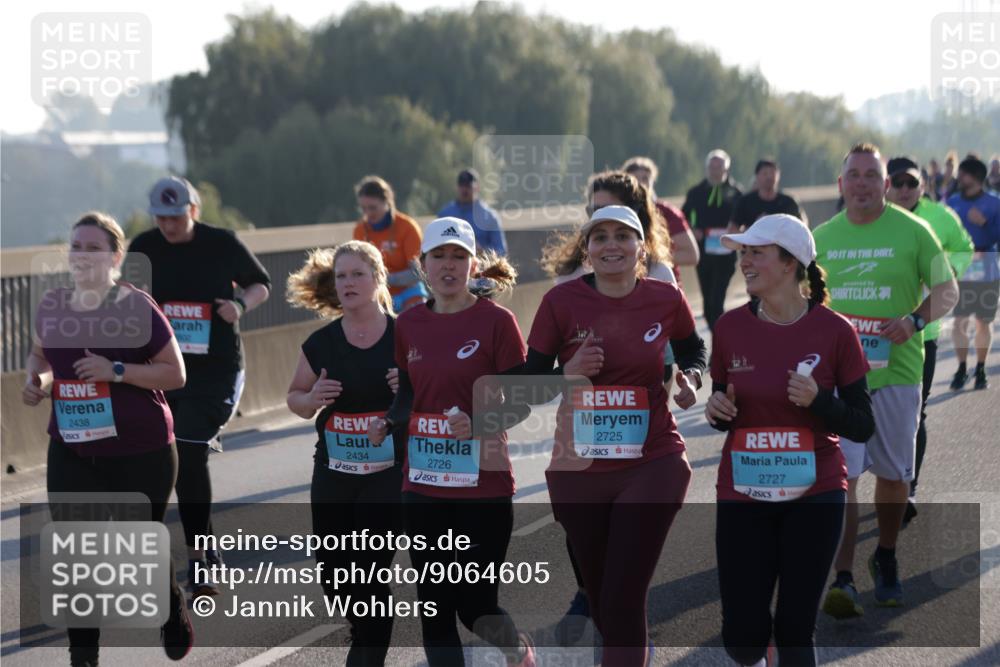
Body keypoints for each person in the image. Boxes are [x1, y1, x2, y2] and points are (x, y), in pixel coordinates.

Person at [527, 204, 707, 666]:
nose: (611, 245)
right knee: (605, 598)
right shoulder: (560, 304)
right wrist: (566, 373)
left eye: (622, 236)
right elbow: (525, 385)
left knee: (625, 594)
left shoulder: (665, 299)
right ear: (586, 251)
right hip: (579, 470)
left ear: (641, 248)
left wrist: (690, 376)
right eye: (600, 237)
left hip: (653, 461)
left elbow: (692, 347)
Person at [23, 212, 194, 665]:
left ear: (116, 256)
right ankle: (85, 658)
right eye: (76, 246)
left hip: (142, 450)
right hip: (73, 448)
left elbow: (175, 373)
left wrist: (115, 371)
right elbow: (40, 357)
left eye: (93, 248)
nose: (81, 255)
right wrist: (37, 382)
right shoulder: (53, 305)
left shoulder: (136, 306)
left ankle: (170, 605)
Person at [706, 214, 874, 666]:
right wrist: (716, 411)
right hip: (744, 489)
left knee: (795, 629)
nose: (745, 261)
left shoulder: (836, 331)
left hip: (815, 491)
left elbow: (862, 424)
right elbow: (725, 405)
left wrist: (820, 401)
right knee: (743, 635)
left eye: (756, 252)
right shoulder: (728, 328)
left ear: (789, 263)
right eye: (743, 253)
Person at [368, 217, 535, 667]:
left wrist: (479, 423)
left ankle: (517, 651)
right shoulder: (409, 324)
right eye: (438, 256)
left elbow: (520, 403)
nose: (448, 265)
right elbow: (408, 392)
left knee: (475, 607)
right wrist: (388, 422)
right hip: (422, 483)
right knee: (435, 608)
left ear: (473, 264)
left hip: (485, 484)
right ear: (423, 265)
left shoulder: (498, 322)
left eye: (458, 256)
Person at [815, 143, 957, 617]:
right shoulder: (820, 238)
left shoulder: (914, 232)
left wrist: (915, 321)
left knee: (895, 477)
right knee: (843, 478)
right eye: (852, 175)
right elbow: (801, 302)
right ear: (840, 185)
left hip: (897, 371)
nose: (861, 183)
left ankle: (887, 556)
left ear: (886, 184)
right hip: (839, 380)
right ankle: (844, 577)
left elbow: (947, 289)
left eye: (871, 176)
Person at [125, 176, 271, 597]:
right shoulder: (143, 248)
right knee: (177, 460)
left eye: (176, 216)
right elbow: (126, 297)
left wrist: (240, 304)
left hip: (217, 371)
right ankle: (203, 547)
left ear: (193, 210)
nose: (168, 226)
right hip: (164, 370)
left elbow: (261, 283)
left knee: (187, 449)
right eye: (161, 218)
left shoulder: (221, 243)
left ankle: (198, 560)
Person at [285, 241, 402, 666]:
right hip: (334, 471)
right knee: (334, 572)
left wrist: (405, 391)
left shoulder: (404, 336)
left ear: (377, 278)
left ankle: (367, 652)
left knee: (369, 567)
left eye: (357, 274)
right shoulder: (321, 343)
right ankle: (362, 629)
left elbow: (433, 398)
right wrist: (313, 396)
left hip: (388, 470)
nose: (348, 283)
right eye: (341, 276)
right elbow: (295, 399)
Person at [884, 156, 973, 525]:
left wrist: (941, 276)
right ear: (889, 185)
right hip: (871, 333)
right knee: (862, 414)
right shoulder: (874, 217)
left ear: (922, 185)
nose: (905, 190)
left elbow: (965, 250)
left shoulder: (940, 216)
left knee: (912, 415)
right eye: (898, 183)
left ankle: (908, 485)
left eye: (912, 183)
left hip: (923, 331)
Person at [947, 155, 1000, 391]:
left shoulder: (994, 203)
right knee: (959, 321)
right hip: (960, 267)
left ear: (975, 177)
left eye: (963, 173)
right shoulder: (952, 203)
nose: (958, 177)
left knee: (983, 322)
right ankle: (961, 368)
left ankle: (980, 368)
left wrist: (985, 225)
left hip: (986, 264)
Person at [682, 149, 743, 333]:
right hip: (704, 254)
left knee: (717, 302)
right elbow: (682, 218)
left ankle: (720, 346)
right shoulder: (696, 192)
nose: (716, 170)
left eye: (720, 167)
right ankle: (719, 342)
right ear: (707, 168)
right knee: (708, 305)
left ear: (727, 169)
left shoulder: (736, 192)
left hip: (726, 254)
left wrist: (736, 229)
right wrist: (693, 230)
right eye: (712, 166)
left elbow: (744, 219)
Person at [353, 175, 428, 312]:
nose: (368, 213)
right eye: (363, 209)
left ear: (387, 202)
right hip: (377, 295)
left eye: (373, 208)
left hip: (409, 293)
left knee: (415, 325)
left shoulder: (408, 227)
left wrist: (385, 278)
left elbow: (417, 273)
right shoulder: (359, 231)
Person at [621, 156, 700, 272]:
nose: (641, 184)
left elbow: (691, 255)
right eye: (634, 179)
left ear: (653, 182)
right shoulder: (618, 213)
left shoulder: (667, 213)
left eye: (645, 179)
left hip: (665, 284)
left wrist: (651, 256)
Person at [437, 168, 508, 256]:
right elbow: (435, 245)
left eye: (468, 186)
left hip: (481, 268)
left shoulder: (490, 216)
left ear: (477, 187)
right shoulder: (445, 214)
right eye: (461, 185)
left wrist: (481, 251)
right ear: (457, 187)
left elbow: (501, 250)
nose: (464, 190)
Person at [733, 159, 805, 230]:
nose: (769, 177)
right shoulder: (745, 202)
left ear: (778, 175)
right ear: (757, 176)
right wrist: (750, 234)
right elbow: (732, 229)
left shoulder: (789, 202)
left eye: (772, 173)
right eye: (765, 173)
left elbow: (802, 225)